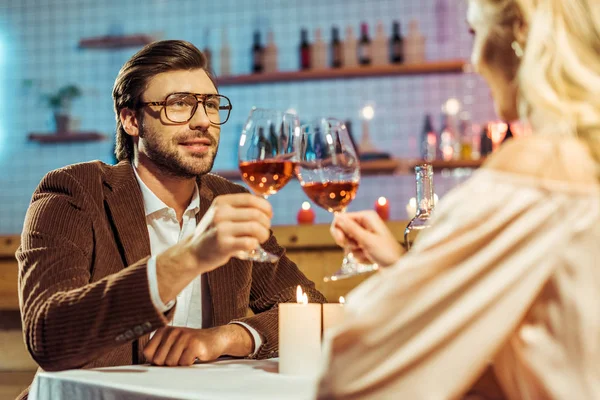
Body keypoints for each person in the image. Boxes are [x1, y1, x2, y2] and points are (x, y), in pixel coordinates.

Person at [317, 0, 600, 398]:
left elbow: (353, 367)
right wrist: (405, 268)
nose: (474, 58)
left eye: (474, 33)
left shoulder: (539, 173)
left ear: (520, 28)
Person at [16, 40, 326, 398]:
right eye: (179, 104)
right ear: (131, 119)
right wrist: (191, 256)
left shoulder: (229, 199)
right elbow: (49, 336)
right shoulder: (74, 191)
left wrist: (226, 337)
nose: (203, 121)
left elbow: (310, 309)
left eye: (210, 104)